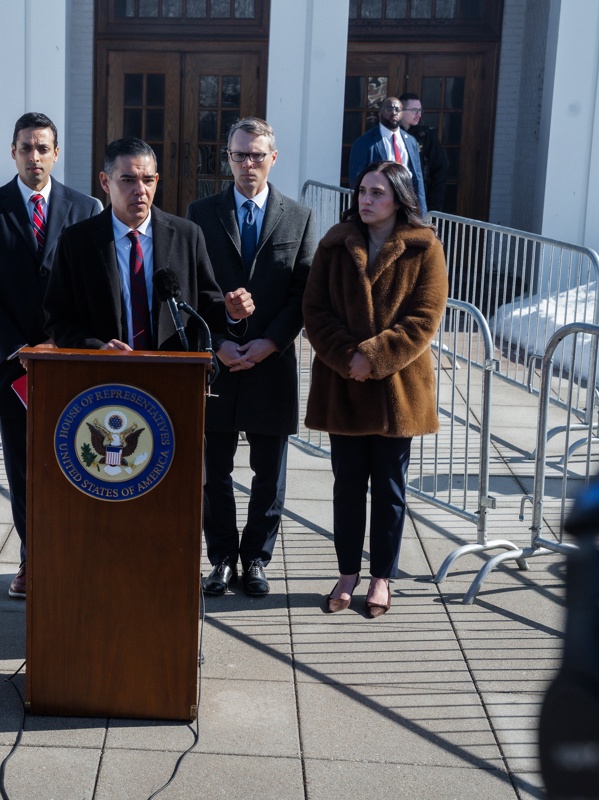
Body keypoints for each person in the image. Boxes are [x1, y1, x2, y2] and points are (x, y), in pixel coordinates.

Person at [0, 112, 102, 599]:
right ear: (13, 152)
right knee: (24, 471)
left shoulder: (85, 209)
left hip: (71, 363)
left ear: (56, 153)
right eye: (26, 147)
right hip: (14, 366)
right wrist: (20, 348)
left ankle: (76, 554)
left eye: (43, 147)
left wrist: (69, 344)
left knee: (75, 464)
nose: (35, 156)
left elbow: (94, 287)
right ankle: (32, 560)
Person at [303, 161, 447, 617]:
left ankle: (383, 576)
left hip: (396, 388)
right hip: (343, 383)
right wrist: (350, 357)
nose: (366, 199)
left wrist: (376, 357)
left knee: (389, 486)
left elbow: (425, 318)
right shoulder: (334, 243)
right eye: (362, 191)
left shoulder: (424, 248)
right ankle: (348, 573)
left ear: (400, 199)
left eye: (377, 192)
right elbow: (315, 309)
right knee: (346, 485)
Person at [185, 118, 317, 597]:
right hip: (217, 361)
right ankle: (220, 559)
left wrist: (271, 343)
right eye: (239, 155)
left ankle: (256, 559)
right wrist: (217, 339)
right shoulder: (201, 213)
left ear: (273, 159)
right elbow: (190, 288)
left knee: (269, 474)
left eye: (257, 155)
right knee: (213, 473)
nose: (247, 164)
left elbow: (303, 291)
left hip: (270, 364)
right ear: (227, 158)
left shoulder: (298, 217)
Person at [43, 137, 254, 352]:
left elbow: (207, 307)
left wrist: (230, 313)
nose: (140, 190)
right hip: (104, 376)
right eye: (128, 180)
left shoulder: (187, 236)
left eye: (148, 180)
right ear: (105, 182)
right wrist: (98, 348)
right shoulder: (77, 241)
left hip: (172, 374)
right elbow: (58, 319)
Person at [346, 97, 428, 216]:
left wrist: (422, 211)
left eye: (397, 109)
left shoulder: (410, 141)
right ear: (380, 114)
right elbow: (356, 179)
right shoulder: (364, 142)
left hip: (405, 204)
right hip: (378, 206)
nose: (394, 113)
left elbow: (417, 177)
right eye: (389, 109)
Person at [398, 93, 449, 214]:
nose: (419, 115)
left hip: (422, 200)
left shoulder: (428, 136)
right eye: (414, 110)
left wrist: (433, 205)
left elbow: (440, 170)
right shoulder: (392, 134)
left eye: (420, 110)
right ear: (401, 111)